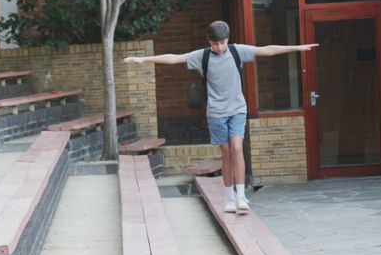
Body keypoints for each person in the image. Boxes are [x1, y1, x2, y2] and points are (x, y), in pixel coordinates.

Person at [124, 21, 317, 214]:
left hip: (237, 110)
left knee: (236, 147)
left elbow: (266, 50)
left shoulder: (236, 51)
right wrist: (144, 59)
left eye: (222, 43)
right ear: (209, 41)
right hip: (216, 113)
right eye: (215, 44)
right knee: (226, 153)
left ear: (228, 40)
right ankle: (229, 197)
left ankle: (241, 196)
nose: (219, 47)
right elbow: (175, 59)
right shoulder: (203, 56)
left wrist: (297, 47)